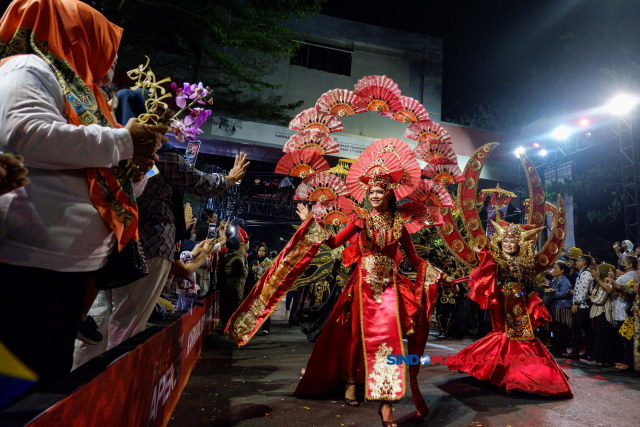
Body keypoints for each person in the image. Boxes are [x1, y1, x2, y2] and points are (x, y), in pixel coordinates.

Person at [226, 139, 456, 424]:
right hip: (362, 283)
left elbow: (416, 259)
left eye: (379, 191)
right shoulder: (360, 219)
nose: (373, 195)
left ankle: (386, 403)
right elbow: (333, 242)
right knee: (357, 336)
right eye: (370, 191)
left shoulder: (400, 224)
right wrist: (312, 223)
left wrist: (441, 275)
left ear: (389, 193)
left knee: (390, 341)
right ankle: (350, 381)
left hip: (389, 288)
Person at [0, 0, 168, 383]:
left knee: (44, 385)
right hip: (27, 268)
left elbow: (113, 178)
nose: (112, 59)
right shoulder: (30, 68)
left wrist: (136, 168)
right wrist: (125, 143)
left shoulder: (86, 93)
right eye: (106, 43)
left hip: (69, 272)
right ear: (80, 35)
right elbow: (23, 134)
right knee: (14, 390)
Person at [74, 147, 248, 368]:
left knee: (97, 319)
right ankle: (114, 385)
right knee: (128, 323)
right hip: (150, 245)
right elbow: (199, 182)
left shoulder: (113, 140)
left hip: (106, 238)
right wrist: (229, 178)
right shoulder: (157, 152)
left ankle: (78, 383)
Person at [446, 221, 573, 398]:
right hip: (500, 302)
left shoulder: (525, 261)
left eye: (512, 241)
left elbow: (529, 284)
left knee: (522, 337)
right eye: (505, 240)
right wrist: (484, 257)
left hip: (519, 301)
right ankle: (495, 372)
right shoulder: (495, 259)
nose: (508, 243)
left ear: (519, 244)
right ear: (500, 241)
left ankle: (517, 376)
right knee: (502, 334)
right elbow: (483, 274)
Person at [606, 260, 640, 371]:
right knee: (631, 341)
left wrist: (614, 284)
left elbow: (629, 292)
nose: (637, 271)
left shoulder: (633, 279)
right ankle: (632, 364)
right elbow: (630, 291)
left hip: (632, 314)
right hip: (633, 316)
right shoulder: (636, 281)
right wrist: (615, 283)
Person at [218, 224, 250, 329]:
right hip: (236, 286)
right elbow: (244, 273)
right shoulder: (239, 257)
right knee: (234, 307)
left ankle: (225, 326)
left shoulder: (224, 256)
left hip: (224, 285)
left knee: (224, 306)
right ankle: (232, 328)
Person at [588, 263, 616, 366]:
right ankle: (600, 359)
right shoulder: (600, 283)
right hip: (598, 313)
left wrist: (591, 298)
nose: (597, 272)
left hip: (603, 313)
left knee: (603, 337)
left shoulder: (607, 283)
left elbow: (599, 299)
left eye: (599, 270)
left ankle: (603, 359)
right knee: (599, 337)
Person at [568, 255, 594, 360]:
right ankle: (588, 352)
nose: (576, 262)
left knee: (577, 329)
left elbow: (583, 290)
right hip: (582, 305)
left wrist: (576, 303)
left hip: (582, 306)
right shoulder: (582, 273)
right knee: (586, 330)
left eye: (578, 261)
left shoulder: (585, 274)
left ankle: (576, 352)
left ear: (584, 263)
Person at [547, 261, 573, 355]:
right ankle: (556, 346)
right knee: (556, 328)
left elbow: (564, 293)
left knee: (562, 328)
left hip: (562, 307)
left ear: (562, 270)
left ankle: (562, 348)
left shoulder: (564, 280)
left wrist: (551, 293)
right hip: (555, 306)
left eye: (556, 268)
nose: (554, 270)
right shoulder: (555, 279)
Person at [248, 243, 274, 334]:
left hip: (264, 288)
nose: (261, 253)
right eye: (260, 251)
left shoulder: (269, 262)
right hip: (254, 287)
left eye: (263, 251)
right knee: (253, 307)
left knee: (264, 307)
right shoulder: (254, 261)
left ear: (266, 252)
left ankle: (265, 328)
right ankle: (253, 327)